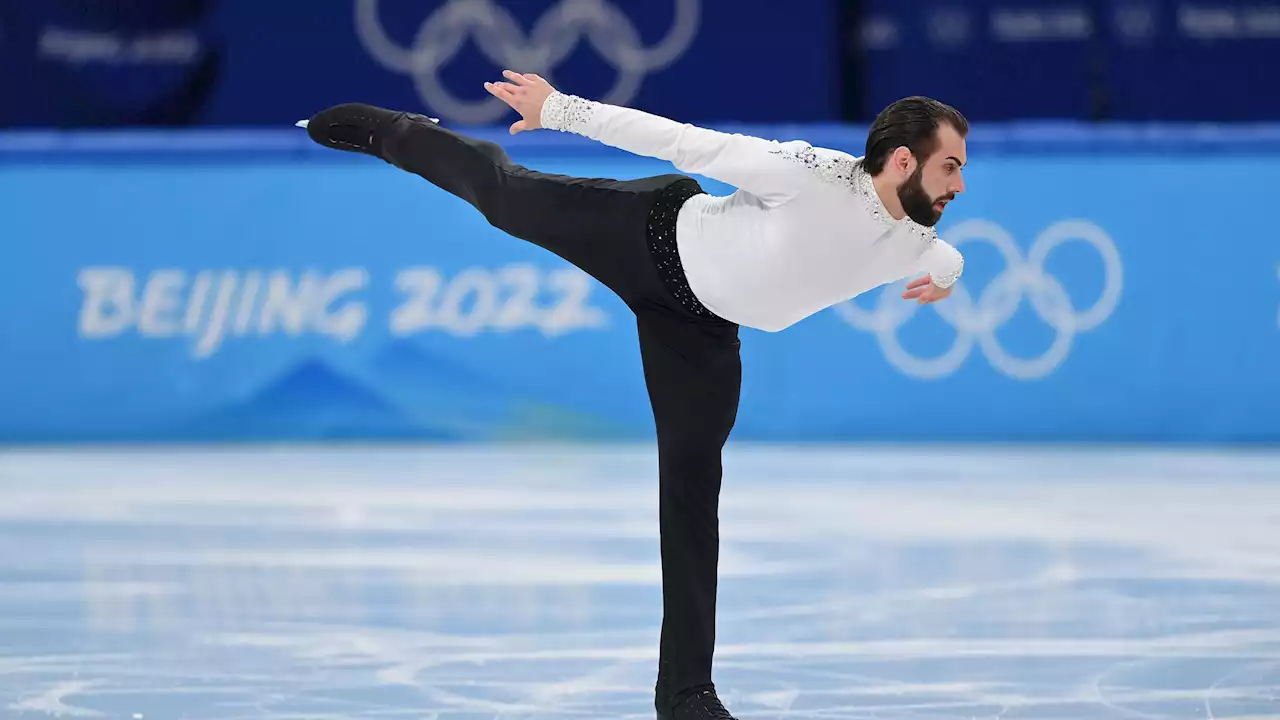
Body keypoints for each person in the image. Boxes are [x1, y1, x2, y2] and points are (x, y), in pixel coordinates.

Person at [298, 70, 968, 720]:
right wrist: (559, 108)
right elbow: (684, 142)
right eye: (950, 168)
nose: (959, 186)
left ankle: (684, 696)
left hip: (700, 334)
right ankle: (396, 134)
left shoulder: (916, 239)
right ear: (904, 161)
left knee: (691, 492)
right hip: (647, 236)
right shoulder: (809, 174)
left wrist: (947, 277)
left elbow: (943, 259)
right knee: (506, 195)